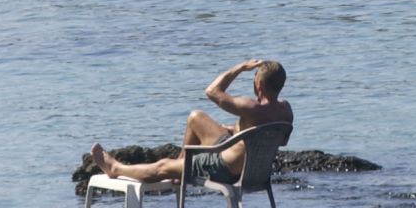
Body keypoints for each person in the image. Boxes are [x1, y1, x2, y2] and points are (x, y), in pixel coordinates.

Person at [90, 59, 293, 188]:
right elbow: (276, 140)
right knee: (196, 117)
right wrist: (238, 131)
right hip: (253, 169)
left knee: (163, 166)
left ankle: (116, 168)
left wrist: (238, 68)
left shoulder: (251, 107)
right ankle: (182, 165)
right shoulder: (286, 111)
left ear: (258, 84)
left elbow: (212, 91)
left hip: (224, 168)